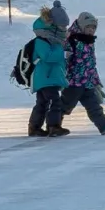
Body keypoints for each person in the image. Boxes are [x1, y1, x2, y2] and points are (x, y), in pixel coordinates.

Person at [61, 11, 105, 134]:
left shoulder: (89, 41)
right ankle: (52, 124)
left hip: (87, 81)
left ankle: (104, 125)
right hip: (74, 82)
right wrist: (62, 76)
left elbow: (91, 63)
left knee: (93, 105)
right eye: (88, 27)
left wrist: (95, 79)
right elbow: (64, 59)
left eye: (93, 28)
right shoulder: (71, 39)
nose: (91, 30)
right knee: (65, 106)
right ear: (82, 26)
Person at [26, 7, 70, 137]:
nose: (64, 29)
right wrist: (63, 54)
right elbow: (47, 56)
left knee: (42, 103)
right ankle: (53, 126)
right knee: (54, 101)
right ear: (53, 25)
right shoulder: (42, 39)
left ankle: (34, 127)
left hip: (48, 77)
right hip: (45, 77)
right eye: (61, 26)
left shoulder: (53, 39)